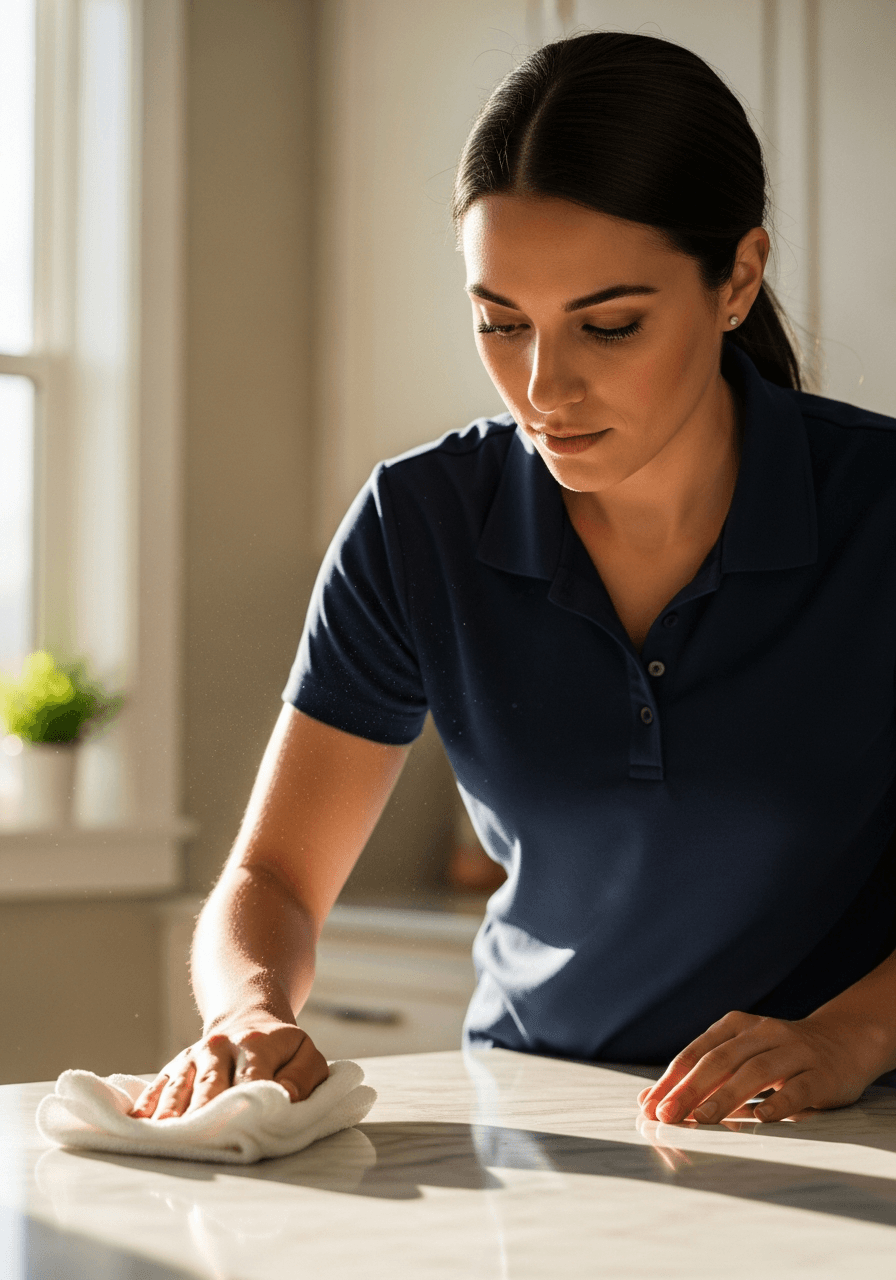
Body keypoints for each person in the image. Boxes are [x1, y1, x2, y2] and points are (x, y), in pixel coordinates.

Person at [132, 30, 896, 1128]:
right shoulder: (419, 522)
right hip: (530, 1123)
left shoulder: (875, 511)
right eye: (500, 321)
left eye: (608, 325)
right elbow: (275, 883)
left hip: (844, 1127)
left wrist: (847, 1034)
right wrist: (245, 1009)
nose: (544, 386)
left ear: (735, 277)